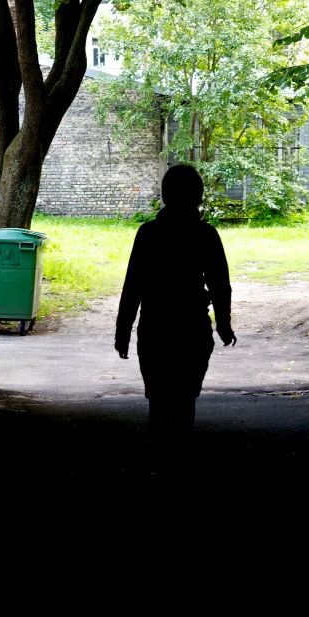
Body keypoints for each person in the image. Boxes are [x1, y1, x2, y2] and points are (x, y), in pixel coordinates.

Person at [115, 164, 236, 444]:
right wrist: (224, 326)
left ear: (165, 195)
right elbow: (220, 285)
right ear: (199, 195)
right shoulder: (206, 234)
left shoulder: (148, 234)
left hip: (155, 329)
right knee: (185, 401)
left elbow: (132, 287)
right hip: (192, 330)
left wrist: (123, 333)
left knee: (158, 402)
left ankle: (159, 463)